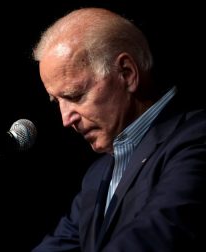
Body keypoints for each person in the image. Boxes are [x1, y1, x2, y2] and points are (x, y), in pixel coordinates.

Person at [31, 7, 206, 252]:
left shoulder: (197, 136)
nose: (66, 119)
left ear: (127, 73)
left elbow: (160, 234)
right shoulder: (97, 174)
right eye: (57, 101)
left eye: (75, 95)